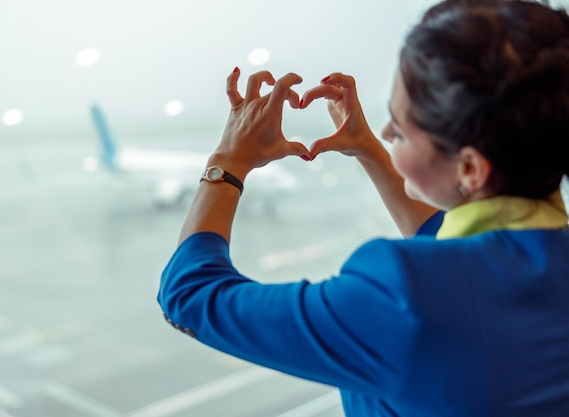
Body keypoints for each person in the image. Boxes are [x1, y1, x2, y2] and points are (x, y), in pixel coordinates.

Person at [157, 0, 569, 415]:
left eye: (400, 129)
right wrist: (367, 147)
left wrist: (229, 160)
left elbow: (189, 295)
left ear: (470, 168)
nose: (387, 131)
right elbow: (468, 255)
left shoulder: (402, 295)